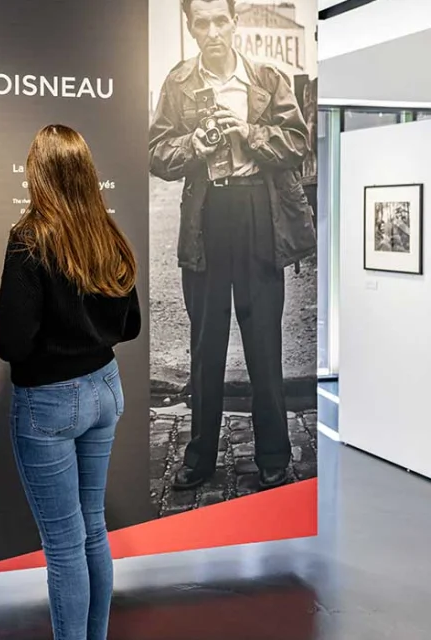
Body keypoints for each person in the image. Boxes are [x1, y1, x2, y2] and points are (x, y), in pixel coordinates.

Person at [149, 0, 315, 491]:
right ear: (191, 27)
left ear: (235, 22)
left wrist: (250, 131)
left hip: (258, 214)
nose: (214, 30)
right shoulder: (179, 83)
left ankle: (273, 455)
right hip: (206, 218)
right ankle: (199, 455)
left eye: (222, 20)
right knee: (206, 343)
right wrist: (194, 146)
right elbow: (157, 152)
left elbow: (298, 142)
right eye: (203, 22)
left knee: (264, 339)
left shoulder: (266, 78)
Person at [0, 124, 141, 640]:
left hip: (51, 403)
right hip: (104, 388)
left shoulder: (30, 238)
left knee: (64, 543)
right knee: (92, 527)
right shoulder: (107, 232)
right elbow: (131, 324)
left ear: (38, 174)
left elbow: (9, 338)